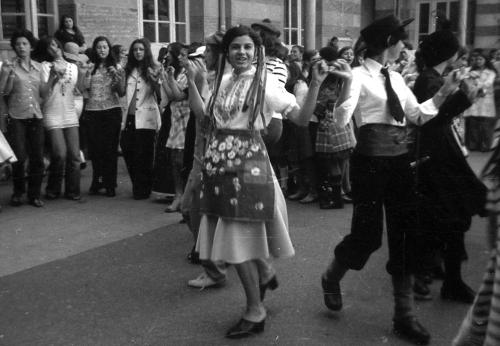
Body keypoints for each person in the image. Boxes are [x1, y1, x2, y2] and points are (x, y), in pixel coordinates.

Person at [319, 15, 464, 345]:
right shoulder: (355, 75)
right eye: (401, 41)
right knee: (367, 235)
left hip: (400, 162)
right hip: (369, 164)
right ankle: (330, 277)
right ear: (389, 43)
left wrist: (444, 92)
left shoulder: (396, 78)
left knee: (404, 235)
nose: (405, 47)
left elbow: (417, 115)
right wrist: (344, 88)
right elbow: (342, 119)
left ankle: (404, 315)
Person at [194, 25, 328, 338]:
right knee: (236, 237)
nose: (241, 53)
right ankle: (264, 273)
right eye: (235, 47)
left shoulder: (265, 84)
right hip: (219, 165)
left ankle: (255, 310)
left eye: (247, 48)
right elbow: (206, 118)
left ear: (257, 52)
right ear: (227, 52)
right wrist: (193, 82)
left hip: (247, 166)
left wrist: (317, 86)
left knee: (235, 241)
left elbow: (301, 119)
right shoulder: (222, 80)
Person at [411, 25, 487, 304]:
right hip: (439, 157)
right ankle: (446, 279)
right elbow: (437, 117)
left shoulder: (432, 76)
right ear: (449, 53)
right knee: (453, 216)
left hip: (441, 153)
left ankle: (436, 271)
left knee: (446, 216)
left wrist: (465, 94)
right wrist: (466, 95)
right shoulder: (431, 80)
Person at [0, 29, 46, 207]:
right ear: (14, 47)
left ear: (31, 47)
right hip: (17, 116)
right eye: (18, 44)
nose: (21, 47)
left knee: (37, 157)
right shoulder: (8, 66)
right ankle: (18, 192)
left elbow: (42, 93)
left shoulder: (38, 67)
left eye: (24, 44)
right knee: (19, 157)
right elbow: (4, 92)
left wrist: (53, 81)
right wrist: (6, 75)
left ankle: (34, 194)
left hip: (35, 115)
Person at [37, 36, 84, 201]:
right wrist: (52, 77)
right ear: (46, 50)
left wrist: (86, 73)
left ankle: (73, 191)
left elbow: (79, 89)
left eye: (56, 45)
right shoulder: (44, 67)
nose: (54, 49)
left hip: (69, 112)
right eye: (50, 47)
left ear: (61, 47)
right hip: (52, 112)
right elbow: (43, 93)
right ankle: (53, 189)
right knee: (59, 154)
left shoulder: (73, 67)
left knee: (75, 156)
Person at [314, 46, 356, 209]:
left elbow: (321, 104)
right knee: (339, 163)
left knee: (333, 164)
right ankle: (337, 197)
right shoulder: (340, 69)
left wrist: (317, 108)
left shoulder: (327, 76)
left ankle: (336, 199)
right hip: (340, 122)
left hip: (328, 123)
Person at [83, 36, 125, 197]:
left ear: (109, 50)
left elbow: (121, 92)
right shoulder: (90, 67)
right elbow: (83, 88)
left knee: (109, 150)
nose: (101, 50)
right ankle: (97, 181)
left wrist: (117, 76)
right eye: (99, 47)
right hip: (92, 111)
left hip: (111, 110)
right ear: (95, 49)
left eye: (105, 47)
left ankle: (110, 184)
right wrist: (85, 74)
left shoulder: (116, 67)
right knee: (95, 150)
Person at [121, 38, 161, 200]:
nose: (138, 52)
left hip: (146, 116)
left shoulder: (154, 68)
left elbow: (160, 95)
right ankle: (139, 183)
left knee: (143, 154)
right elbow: (121, 92)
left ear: (146, 52)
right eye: (135, 49)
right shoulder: (127, 69)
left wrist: (154, 79)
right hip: (129, 117)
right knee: (127, 148)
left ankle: (142, 188)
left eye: (141, 49)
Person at [157, 42, 190, 212]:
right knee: (174, 159)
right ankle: (178, 195)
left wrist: (167, 79)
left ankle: (184, 196)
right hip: (176, 119)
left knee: (182, 159)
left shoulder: (187, 74)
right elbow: (170, 96)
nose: (169, 55)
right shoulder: (176, 72)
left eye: (172, 52)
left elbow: (178, 96)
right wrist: (165, 78)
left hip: (187, 119)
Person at [464, 49, 497, 152]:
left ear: (485, 60)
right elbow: (467, 83)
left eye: (480, 59)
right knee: (473, 123)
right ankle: (473, 145)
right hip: (475, 99)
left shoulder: (490, 72)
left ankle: (485, 146)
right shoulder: (471, 71)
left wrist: (477, 82)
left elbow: (488, 83)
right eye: (477, 59)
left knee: (485, 124)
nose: (478, 61)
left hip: (486, 100)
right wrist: (475, 83)